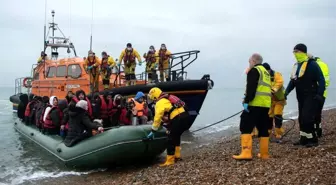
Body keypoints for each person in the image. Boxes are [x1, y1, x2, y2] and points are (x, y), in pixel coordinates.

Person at [285, 44, 325, 147]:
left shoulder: (312, 64)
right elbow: (292, 82)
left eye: (297, 51)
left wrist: (320, 94)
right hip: (301, 96)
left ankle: (313, 140)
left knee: (307, 118)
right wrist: (285, 93)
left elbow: (321, 79)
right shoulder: (296, 66)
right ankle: (303, 139)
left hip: (311, 95)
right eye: (294, 52)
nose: (295, 54)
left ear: (303, 52)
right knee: (301, 118)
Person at [233, 53, 271, 160]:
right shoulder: (266, 72)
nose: (249, 63)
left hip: (255, 104)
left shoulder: (254, 71)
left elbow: (251, 88)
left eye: (249, 61)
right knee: (263, 128)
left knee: (245, 125)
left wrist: (246, 101)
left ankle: (246, 152)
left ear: (253, 61)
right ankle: (264, 154)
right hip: (265, 104)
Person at [147, 87, 189, 166]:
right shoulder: (168, 97)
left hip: (178, 118)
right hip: (185, 116)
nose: (152, 99)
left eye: (152, 97)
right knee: (176, 135)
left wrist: (153, 130)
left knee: (170, 138)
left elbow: (157, 118)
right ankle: (177, 155)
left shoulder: (160, 102)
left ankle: (170, 160)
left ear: (155, 96)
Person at [262, 63, 287, 142]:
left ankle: (278, 133)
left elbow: (280, 82)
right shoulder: (263, 77)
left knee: (277, 115)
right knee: (269, 116)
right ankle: (268, 132)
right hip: (270, 101)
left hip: (280, 100)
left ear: (269, 70)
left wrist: (273, 90)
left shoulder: (277, 74)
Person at [307, 54, 330, 138]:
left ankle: (315, 131)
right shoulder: (324, 64)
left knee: (313, 113)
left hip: (316, 93)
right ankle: (319, 129)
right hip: (323, 93)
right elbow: (325, 81)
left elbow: (317, 80)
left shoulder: (314, 65)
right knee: (318, 112)